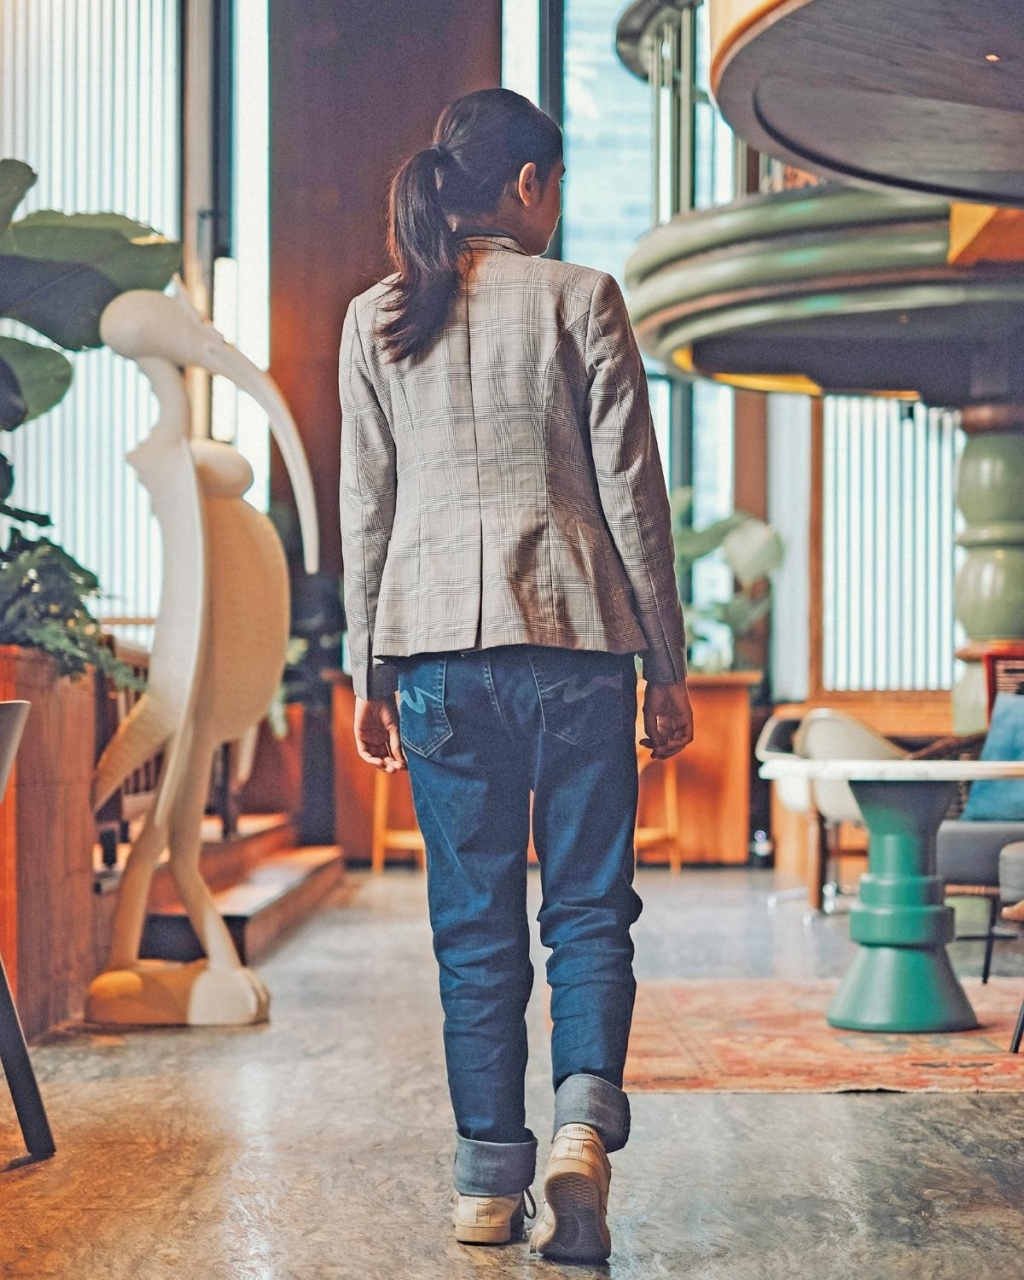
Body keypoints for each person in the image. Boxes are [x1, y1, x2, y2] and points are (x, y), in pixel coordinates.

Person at [338, 87, 693, 1263]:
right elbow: (634, 501)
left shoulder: (375, 317)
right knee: (588, 906)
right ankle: (581, 1127)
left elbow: (366, 512)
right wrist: (669, 664)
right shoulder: (580, 297)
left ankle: (485, 1184)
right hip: (579, 648)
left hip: (434, 653)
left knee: (472, 925)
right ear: (528, 185)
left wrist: (367, 672)